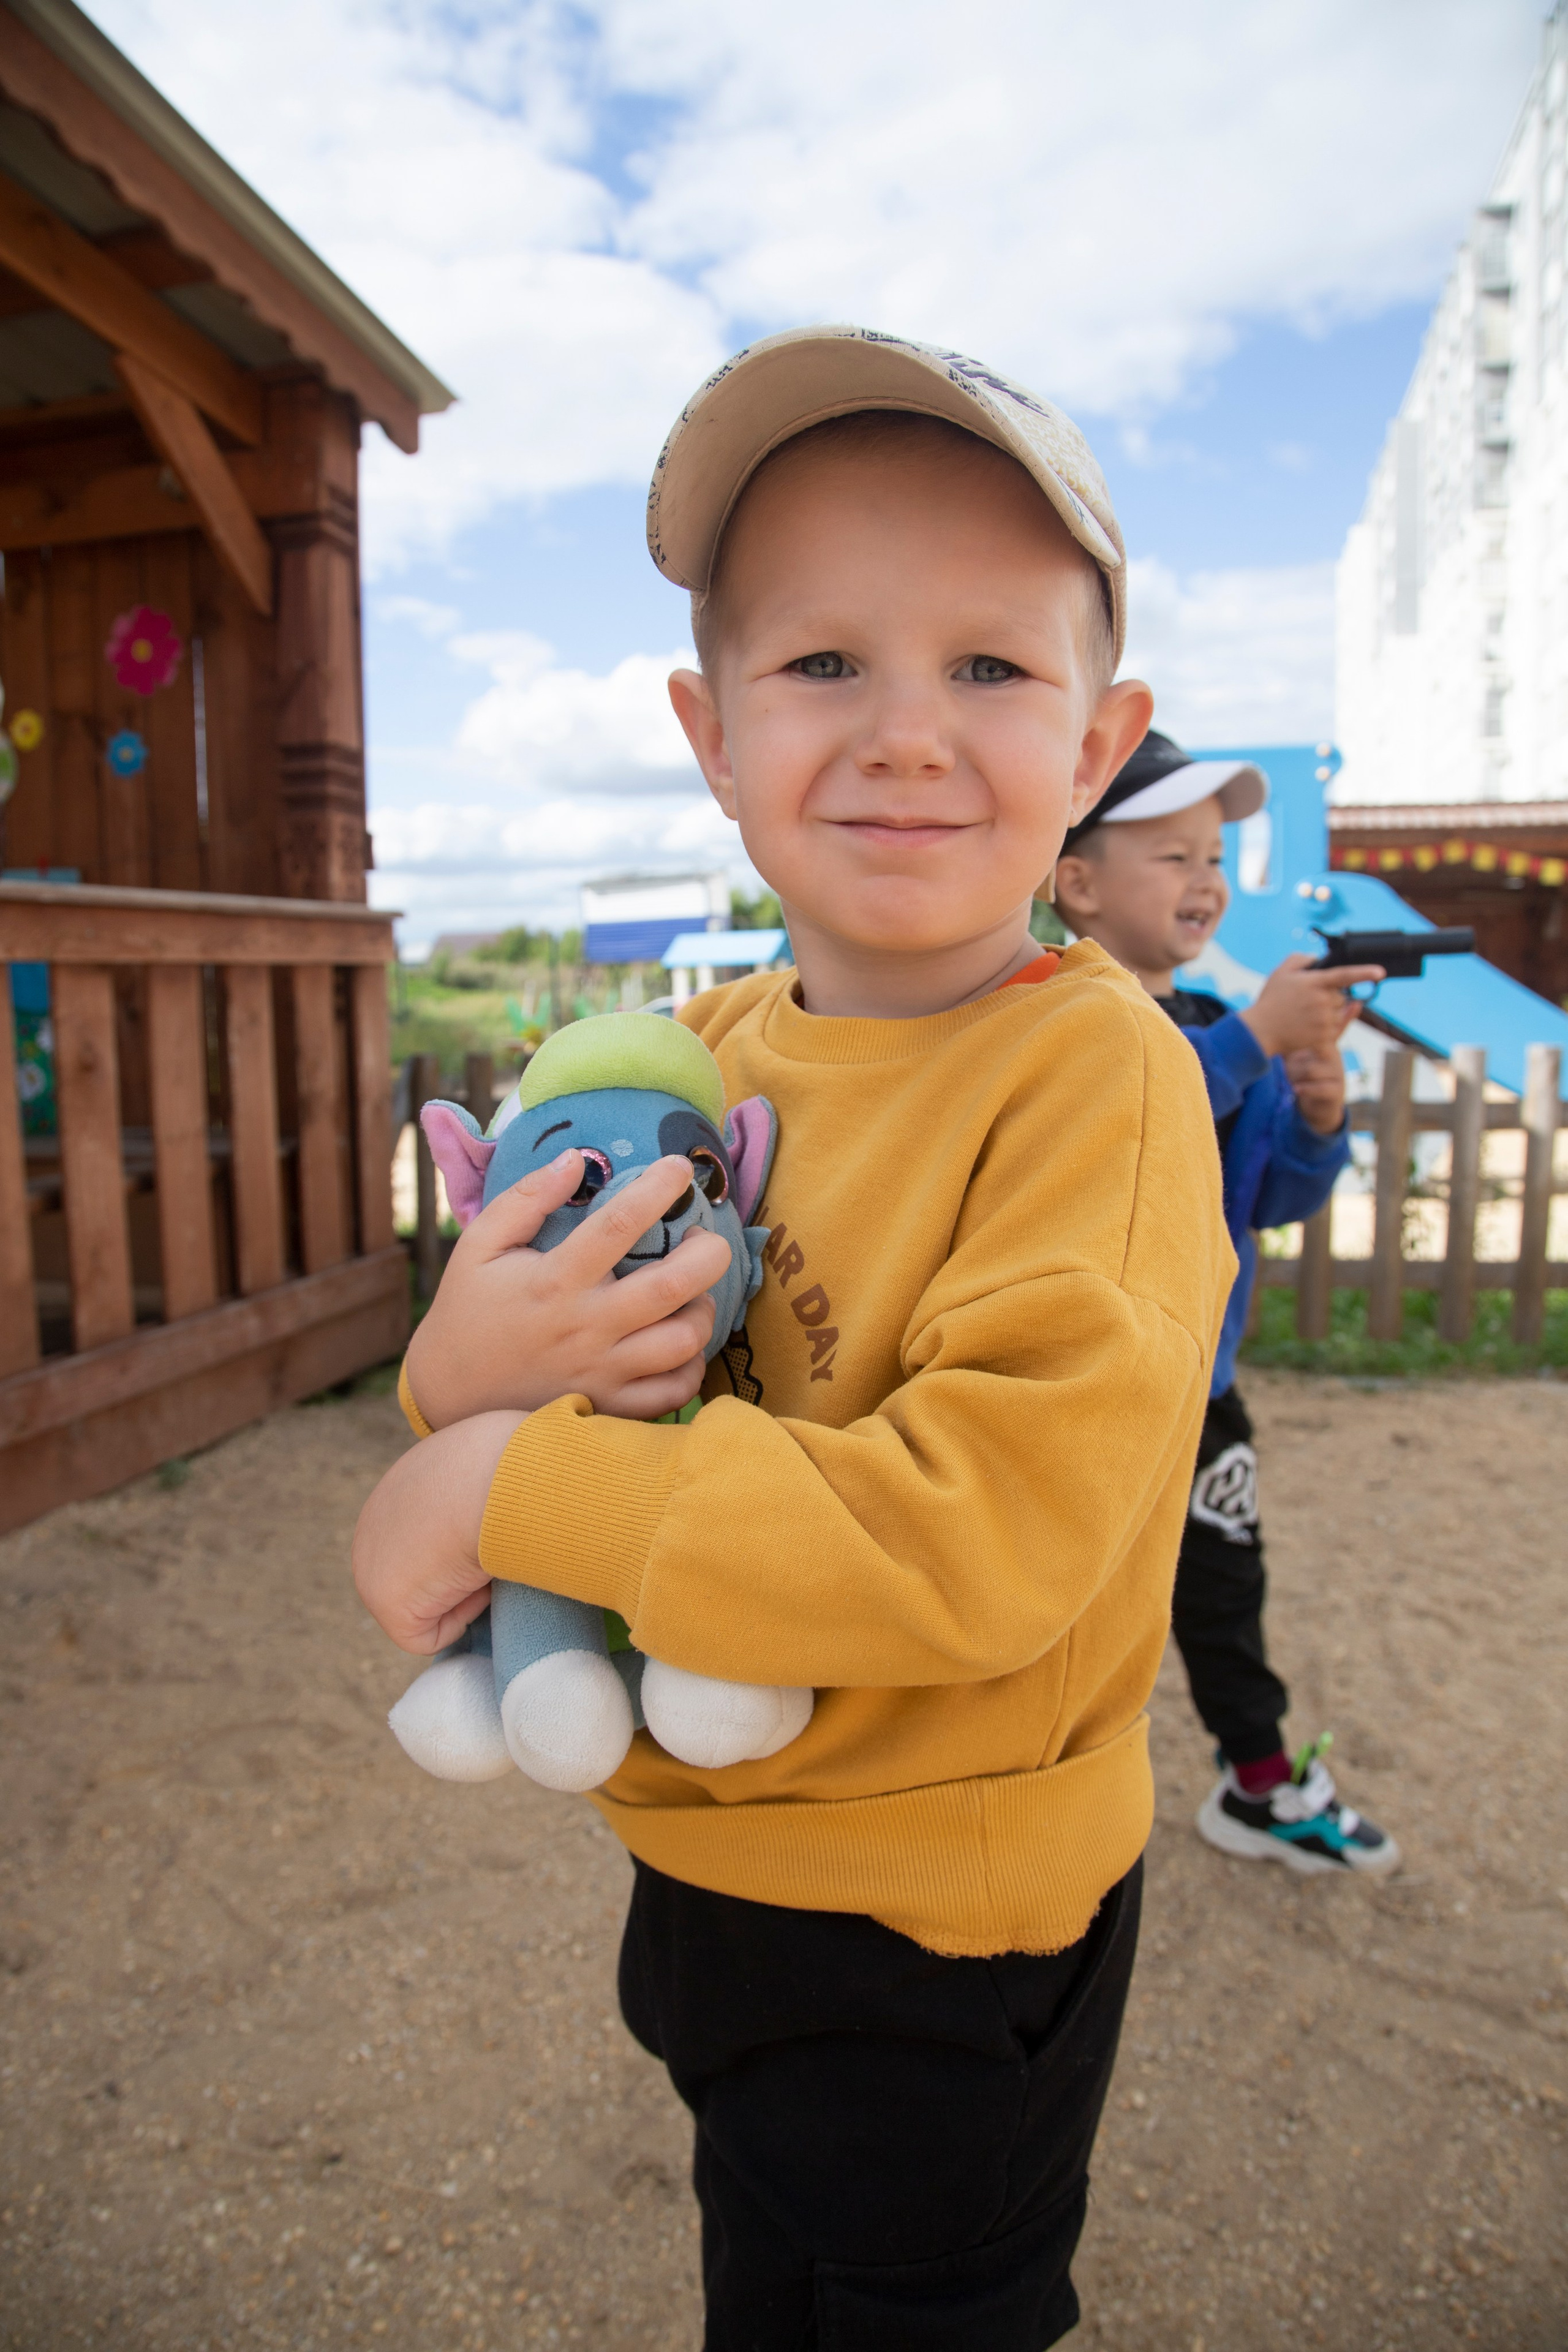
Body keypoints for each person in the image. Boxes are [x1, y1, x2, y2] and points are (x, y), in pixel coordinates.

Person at [352, 328, 1234, 2350]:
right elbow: (554, 1350)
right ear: (710, 733)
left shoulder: (1094, 1081)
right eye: (825, 662)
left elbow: (989, 1533)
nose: (909, 732)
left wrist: (501, 1478)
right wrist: (455, 1387)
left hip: (937, 1924)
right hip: (717, 1862)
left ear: (1100, 744)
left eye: (992, 668)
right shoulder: (703, 1056)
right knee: (767, 2280)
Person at [1052, 727, 1401, 1876]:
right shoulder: (1059, 1018)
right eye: (1172, 855)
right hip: (1077, 1394)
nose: (1206, 880)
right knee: (1046, 1593)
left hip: (1199, 1384)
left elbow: (1271, 1199)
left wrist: (1314, 1108)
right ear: (1079, 883)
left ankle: (1257, 1782)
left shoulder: (1212, 1022)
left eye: (1215, 856)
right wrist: (1260, 1037)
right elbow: (1126, 1114)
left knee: (1223, 1581)